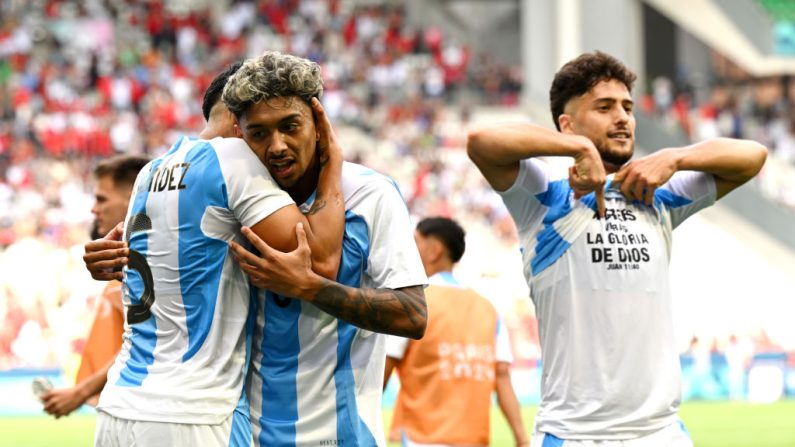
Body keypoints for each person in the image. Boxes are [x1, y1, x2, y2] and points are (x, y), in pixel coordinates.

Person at [466, 51, 767, 446]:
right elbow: (481, 142)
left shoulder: (656, 195)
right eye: (604, 107)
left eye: (627, 107)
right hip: (575, 435)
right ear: (567, 124)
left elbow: (752, 157)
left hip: (661, 434)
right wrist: (579, 150)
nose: (622, 117)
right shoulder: (544, 197)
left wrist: (676, 156)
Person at [85, 60, 346, 447]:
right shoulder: (233, 160)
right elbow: (320, 262)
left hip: (120, 406)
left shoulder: (150, 172)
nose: (272, 144)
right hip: (194, 413)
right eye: (259, 125)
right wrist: (332, 164)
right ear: (238, 113)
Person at [223, 51, 428, 446]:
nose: (277, 146)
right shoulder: (233, 198)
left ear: (318, 125)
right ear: (240, 136)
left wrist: (311, 288)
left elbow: (413, 316)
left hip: (344, 436)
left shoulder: (370, 195)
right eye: (259, 133)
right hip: (248, 436)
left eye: (290, 126)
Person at [382, 216, 529, 447]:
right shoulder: (487, 309)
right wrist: (522, 439)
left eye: (414, 242)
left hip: (421, 439)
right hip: (473, 440)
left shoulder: (413, 305)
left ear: (434, 251)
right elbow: (502, 376)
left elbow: (383, 371)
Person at [41, 154, 149, 418]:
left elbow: (147, 340)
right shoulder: (121, 262)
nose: (93, 209)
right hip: (119, 406)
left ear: (133, 197)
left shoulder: (151, 263)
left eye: (101, 199)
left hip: (140, 407)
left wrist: (79, 392)